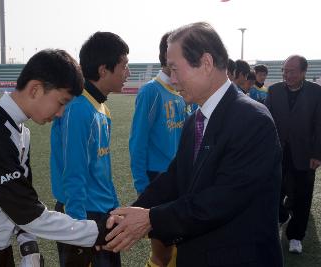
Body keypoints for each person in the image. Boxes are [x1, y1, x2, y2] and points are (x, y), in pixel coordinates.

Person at [104, 22, 283, 267]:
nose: (173, 79)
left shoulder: (253, 120)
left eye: (176, 69)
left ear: (206, 63)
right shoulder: (194, 120)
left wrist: (151, 219)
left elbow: (221, 200)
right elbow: (175, 178)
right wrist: (127, 216)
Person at [0, 49, 111, 267]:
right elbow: (27, 212)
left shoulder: (20, 131)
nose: (61, 113)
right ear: (35, 89)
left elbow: (23, 197)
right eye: (61, 102)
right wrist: (99, 231)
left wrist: (28, 246)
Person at [50, 32, 130, 267]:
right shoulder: (77, 109)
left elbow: (101, 170)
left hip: (103, 214)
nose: (128, 73)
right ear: (104, 70)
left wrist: (114, 208)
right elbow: (73, 174)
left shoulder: (101, 107)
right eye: (123, 66)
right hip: (83, 215)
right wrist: (79, 232)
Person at [129, 32, 187, 267]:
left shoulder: (180, 93)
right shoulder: (150, 91)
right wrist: (143, 187)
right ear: (167, 54)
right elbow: (137, 142)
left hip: (179, 179)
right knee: (161, 254)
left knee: (178, 248)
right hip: (156, 180)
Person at [265, 55, 321, 254]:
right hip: (277, 154)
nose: (286, 74)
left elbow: (319, 125)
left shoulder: (316, 92)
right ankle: (281, 217)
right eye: (284, 70)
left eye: (291, 71)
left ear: (303, 72)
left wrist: (317, 153)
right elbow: (266, 120)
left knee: (303, 197)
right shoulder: (274, 90)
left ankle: (296, 236)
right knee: (273, 192)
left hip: (305, 155)